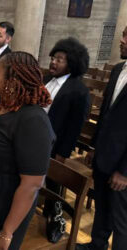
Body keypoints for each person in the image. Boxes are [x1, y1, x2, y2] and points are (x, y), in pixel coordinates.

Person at [0, 52, 55, 250]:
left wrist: (7, 232)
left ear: (12, 80)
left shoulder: (33, 120)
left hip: (2, 205)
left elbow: (32, 184)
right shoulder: (5, 107)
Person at [76, 26, 127, 250]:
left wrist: (125, 171)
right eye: (124, 35)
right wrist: (93, 147)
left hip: (123, 162)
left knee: (121, 220)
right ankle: (96, 246)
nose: (122, 40)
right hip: (105, 153)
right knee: (102, 207)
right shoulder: (118, 70)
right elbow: (105, 114)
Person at [42, 37, 91, 216]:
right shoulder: (46, 79)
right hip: (36, 137)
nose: (53, 62)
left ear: (71, 64)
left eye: (59, 60)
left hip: (56, 144)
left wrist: (63, 153)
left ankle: (52, 214)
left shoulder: (79, 91)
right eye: (53, 58)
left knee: (53, 183)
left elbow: (74, 128)